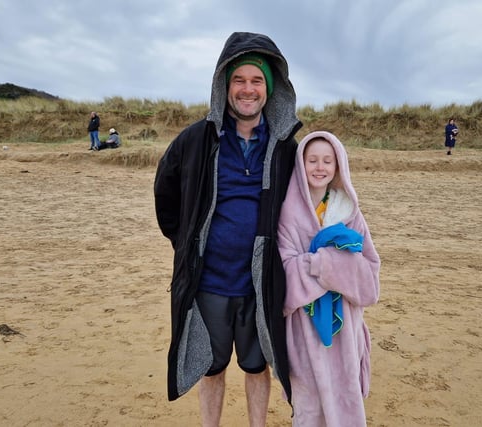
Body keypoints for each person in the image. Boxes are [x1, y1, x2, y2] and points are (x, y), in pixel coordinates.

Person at [153, 31, 301, 426]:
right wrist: (185, 244)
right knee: (212, 366)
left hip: (262, 283)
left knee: (257, 367)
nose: (247, 89)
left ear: (270, 89)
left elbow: (309, 204)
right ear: (224, 84)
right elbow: (164, 194)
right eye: (239, 80)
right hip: (210, 283)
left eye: (257, 81)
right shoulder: (196, 140)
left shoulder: (287, 147)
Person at [277, 131, 380, 426]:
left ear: (338, 167)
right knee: (308, 402)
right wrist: (337, 266)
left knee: (345, 400)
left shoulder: (350, 213)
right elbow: (285, 273)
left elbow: (370, 281)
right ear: (301, 164)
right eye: (312, 160)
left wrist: (317, 262)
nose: (319, 167)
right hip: (303, 329)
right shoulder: (287, 214)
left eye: (327, 161)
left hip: (346, 328)